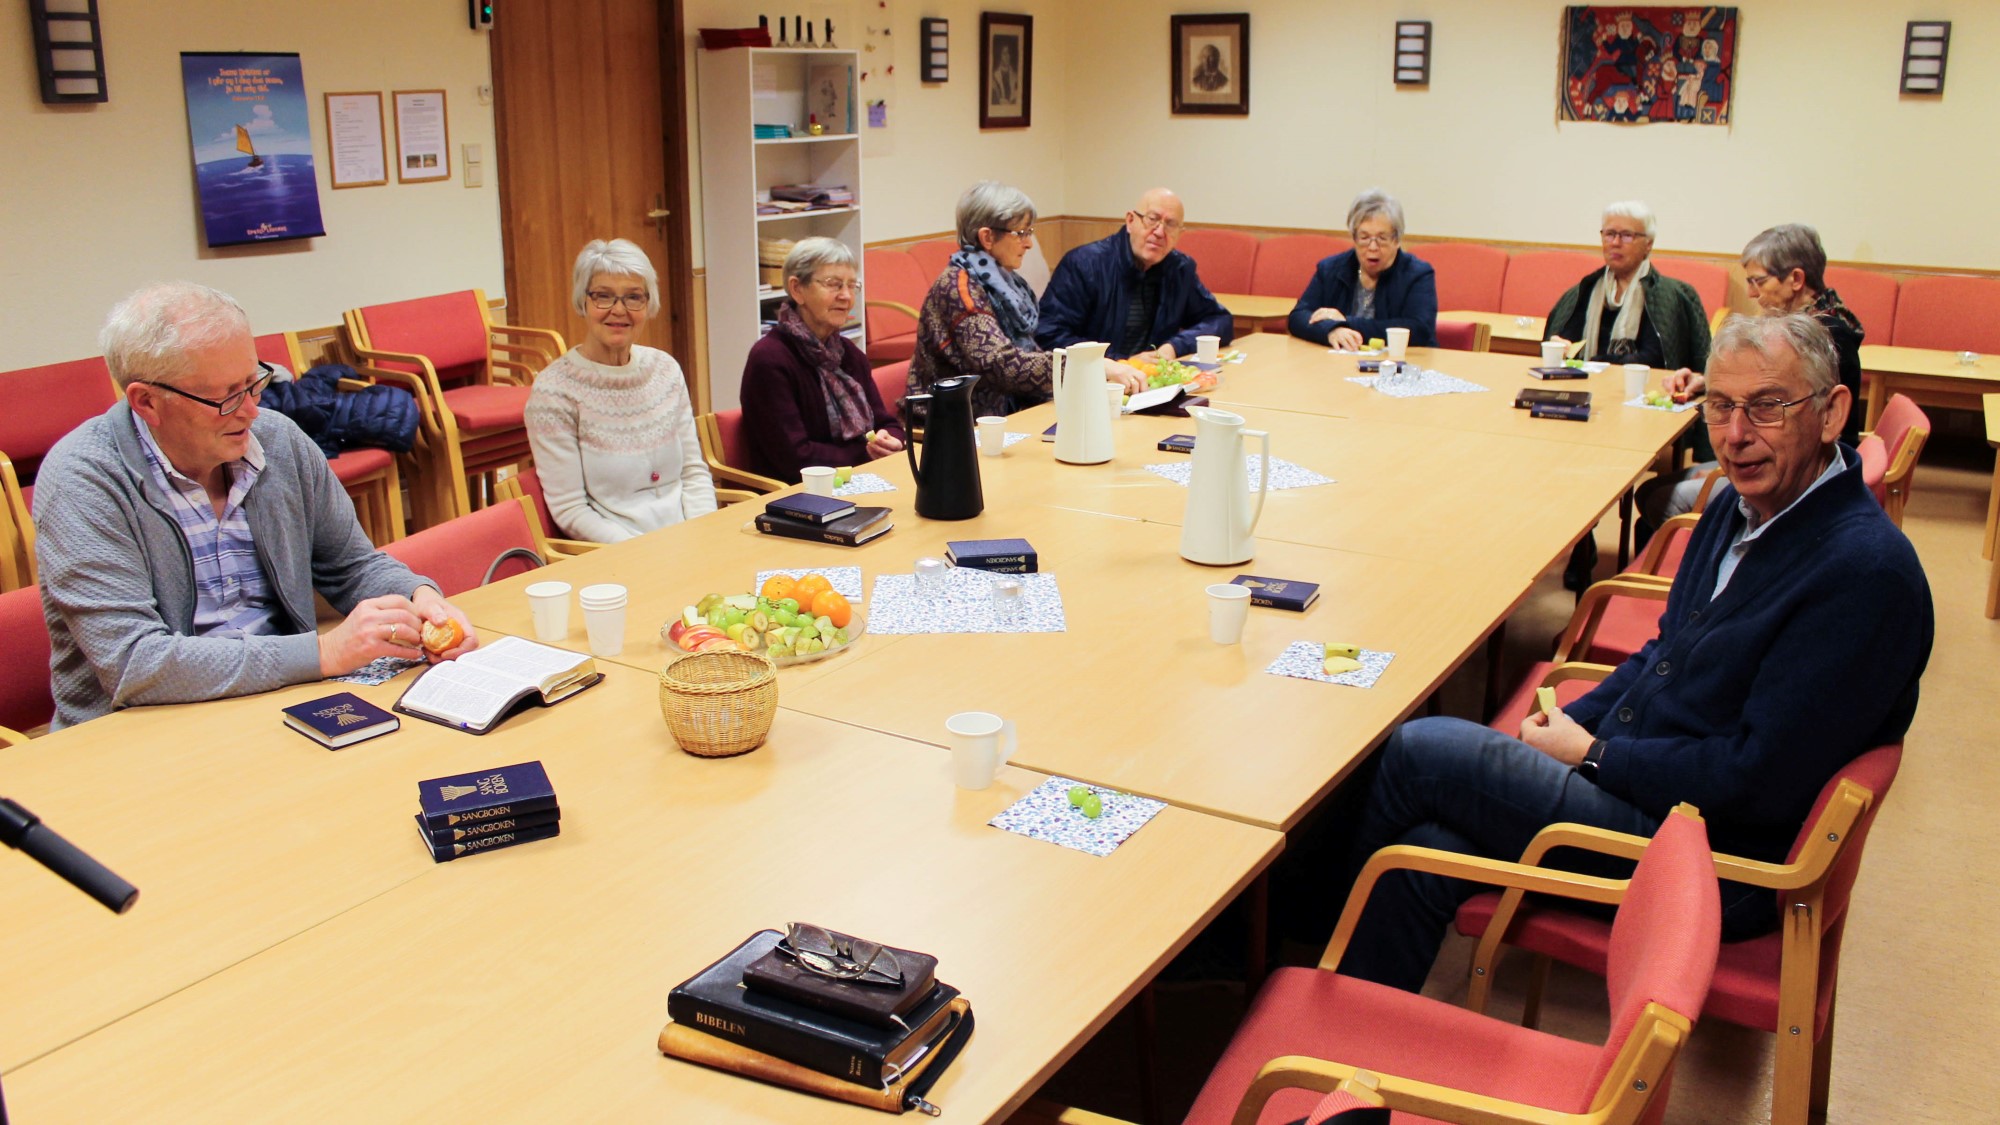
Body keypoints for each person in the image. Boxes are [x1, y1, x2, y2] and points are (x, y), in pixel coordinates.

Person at [1333, 313, 1932, 993]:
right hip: (1655, 791)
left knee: (1418, 749)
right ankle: (1334, 1026)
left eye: (1766, 407)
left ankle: (1288, 943)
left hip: (1713, 859)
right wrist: (1569, 731)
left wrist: (1593, 755)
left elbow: (1756, 779)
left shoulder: (1863, 575)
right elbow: (1662, 654)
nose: (1736, 436)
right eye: (1720, 406)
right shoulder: (1740, 510)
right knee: (1423, 856)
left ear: (1831, 413)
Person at [34, 282, 478, 730]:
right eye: (227, 397)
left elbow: (352, 566)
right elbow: (135, 665)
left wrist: (420, 598)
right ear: (147, 402)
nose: (250, 411)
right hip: (135, 730)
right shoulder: (84, 480)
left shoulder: (278, 440)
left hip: (276, 700)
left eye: (254, 383)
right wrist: (322, 652)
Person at [1640, 223, 1867, 534]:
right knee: (1651, 491)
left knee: (1657, 499)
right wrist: (1705, 381)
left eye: (1758, 281)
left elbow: (1787, 424)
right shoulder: (1810, 320)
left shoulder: (1823, 336)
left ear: (1796, 280)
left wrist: (1720, 470)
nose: (1750, 293)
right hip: (1780, 456)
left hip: (1800, 477)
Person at [525, 238, 716, 542]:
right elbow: (570, 509)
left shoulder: (665, 369)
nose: (618, 310)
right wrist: (640, 552)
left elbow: (693, 474)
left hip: (690, 541)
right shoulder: (554, 391)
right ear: (583, 302)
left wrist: (703, 534)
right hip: (618, 557)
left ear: (648, 304)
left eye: (633, 297)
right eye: (603, 296)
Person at [910, 181, 1144, 419]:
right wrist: (1089, 367)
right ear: (987, 237)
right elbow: (1001, 364)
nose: (1029, 243)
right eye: (1021, 233)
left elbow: (1029, 351)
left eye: (1029, 232)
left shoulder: (1003, 282)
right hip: (953, 425)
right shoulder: (959, 289)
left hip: (1004, 415)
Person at [739, 237, 906, 483]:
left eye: (852, 286)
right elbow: (797, 458)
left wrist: (890, 439)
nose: (846, 296)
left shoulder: (848, 353)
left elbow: (887, 422)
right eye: (833, 284)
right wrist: (866, 453)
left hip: (859, 477)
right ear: (797, 289)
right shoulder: (770, 359)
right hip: (797, 494)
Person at [1036, 186, 1233, 362]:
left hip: (1152, 385)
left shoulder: (1179, 269)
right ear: (1130, 221)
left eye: (1170, 225)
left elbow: (1219, 320)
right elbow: (1049, 334)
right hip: (1095, 383)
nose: (1159, 232)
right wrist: (1120, 362)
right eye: (1152, 219)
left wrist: (1173, 348)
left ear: (1180, 234)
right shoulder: (1084, 264)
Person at [1545, 201, 1710, 371]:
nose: (1615, 242)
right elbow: (1564, 341)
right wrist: (1558, 346)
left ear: (1648, 244)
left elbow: (1654, 358)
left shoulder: (1670, 295)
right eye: (1609, 234)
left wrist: (1596, 362)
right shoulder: (1585, 290)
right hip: (1583, 386)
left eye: (1626, 235)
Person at [1286, 189, 1438, 351]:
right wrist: (1331, 331)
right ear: (1354, 238)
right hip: (1337, 363)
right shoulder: (1331, 269)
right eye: (1364, 238)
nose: (1372, 247)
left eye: (1382, 238)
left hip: (1398, 363)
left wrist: (1345, 322)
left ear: (1397, 240)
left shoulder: (1418, 274)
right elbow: (1298, 317)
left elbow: (1419, 329)